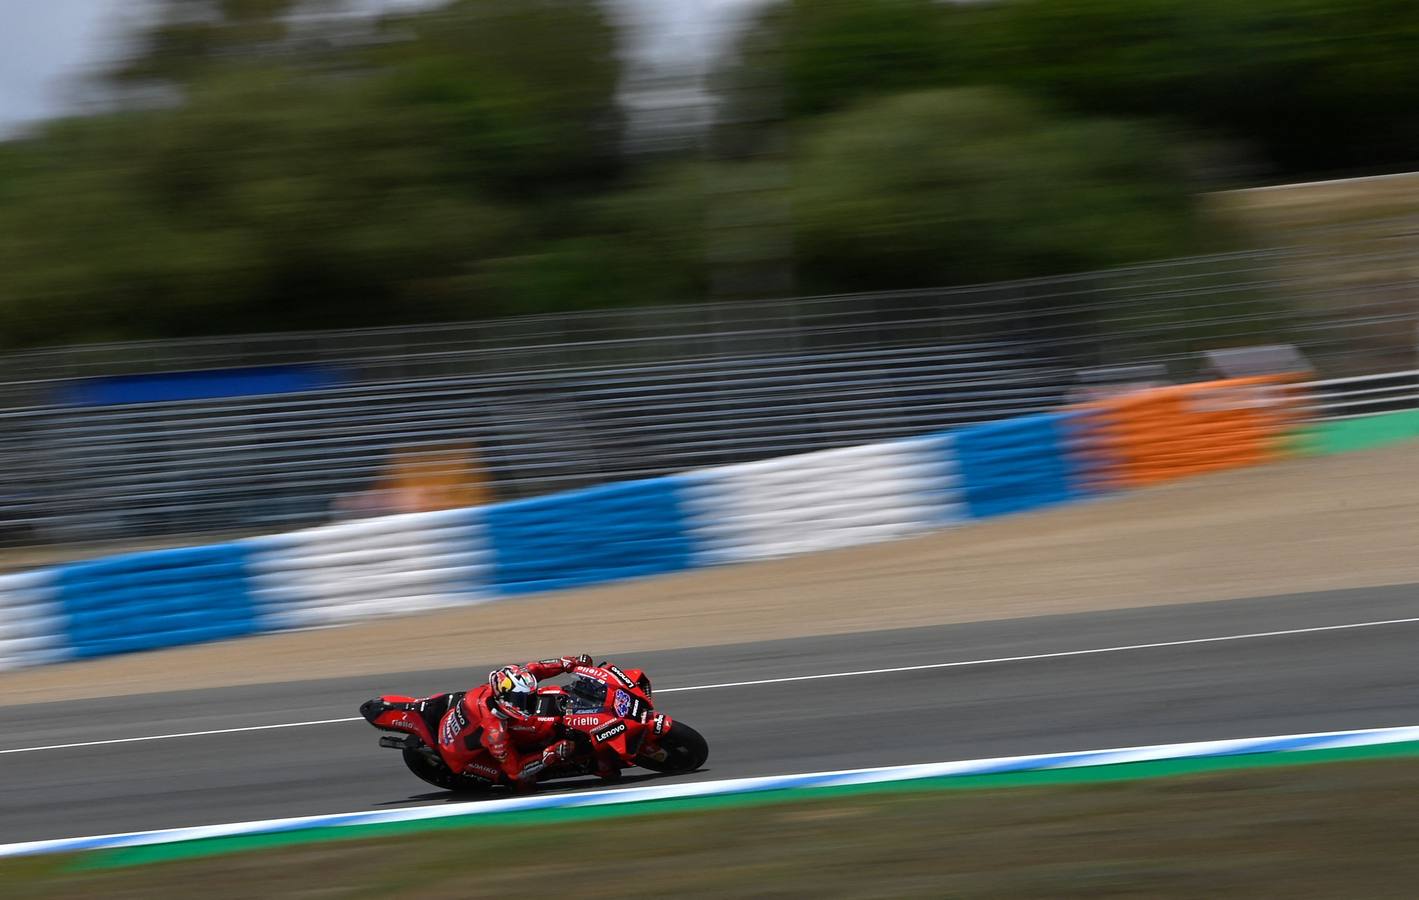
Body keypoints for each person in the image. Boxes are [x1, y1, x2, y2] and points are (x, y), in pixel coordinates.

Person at [438, 653, 594, 790]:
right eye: (525, 700)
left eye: (531, 698)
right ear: (506, 700)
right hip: (462, 757)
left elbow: (536, 668)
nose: (531, 703)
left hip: (466, 721)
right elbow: (516, 770)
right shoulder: (495, 733)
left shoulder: (507, 685)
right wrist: (551, 752)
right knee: (524, 782)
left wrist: (571, 662)